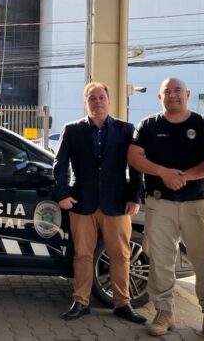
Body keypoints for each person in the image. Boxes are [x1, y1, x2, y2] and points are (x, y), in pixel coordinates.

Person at [128, 78, 204, 337]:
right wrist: (163, 172)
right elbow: (134, 157)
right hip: (160, 203)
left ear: (188, 94)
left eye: (177, 91)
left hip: (198, 202)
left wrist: (183, 177)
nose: (172, 95)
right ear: (160, 98)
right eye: (167, 92)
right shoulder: (148, 125)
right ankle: (164, 312)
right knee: (161, 260)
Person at [53, 82, 146, 324]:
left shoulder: (126, 130)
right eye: (92, 98)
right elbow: (60, 164)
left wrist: (134, 196)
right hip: (82, 203)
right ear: (86, 102)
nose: (97, 102)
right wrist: (62, 194)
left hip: (116, 204)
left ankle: (122, 304)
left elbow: (136, 166)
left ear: (109, 99)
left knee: (120, 255)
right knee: (82, 256)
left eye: (101, 97)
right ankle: (81, 302)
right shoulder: (72, 130)